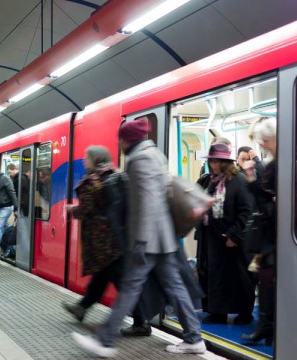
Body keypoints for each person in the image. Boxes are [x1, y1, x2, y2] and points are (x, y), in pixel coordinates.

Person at [72, 118, 206, 357]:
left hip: (149, 238)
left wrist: (140, 241)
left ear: (125, 139)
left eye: (120, 140)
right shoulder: (154, 153)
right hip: (162, 238)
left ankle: (104, 340)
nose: (119, 144)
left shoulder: (139, 159)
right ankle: (194, 338)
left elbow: (148, 201)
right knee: (175, 287)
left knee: (131, 287)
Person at [63, 145, 151, 336]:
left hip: (102, 241)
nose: (85, 162)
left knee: (121, 283)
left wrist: (72, 210)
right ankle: (82, 307)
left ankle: (141, 323)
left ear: (95, 160)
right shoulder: (115, 175)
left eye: (87, 158)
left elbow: (86, 210)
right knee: (102, 277)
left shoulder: (92, 182)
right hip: (116, 238)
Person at [196, 143, 255, 325]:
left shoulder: (239, 181)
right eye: (212, 161)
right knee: (214, 275)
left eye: (217, 161)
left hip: (233, 238)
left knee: (239, 277)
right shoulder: (207, 181)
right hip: (211, 237)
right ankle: (217, 312)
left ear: (225, 162)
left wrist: (234, 234)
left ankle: (244, 313)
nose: (214, 165)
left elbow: (247, 210)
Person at [241, 117, 277, 345]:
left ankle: (267, 326)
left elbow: (266, 199)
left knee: (267, 279)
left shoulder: (277, 164)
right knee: (266, 280)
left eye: (265, 140)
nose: (262, 144)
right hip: (272, 232)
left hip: (273, 232)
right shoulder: (276, 162)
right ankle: (267, 327)